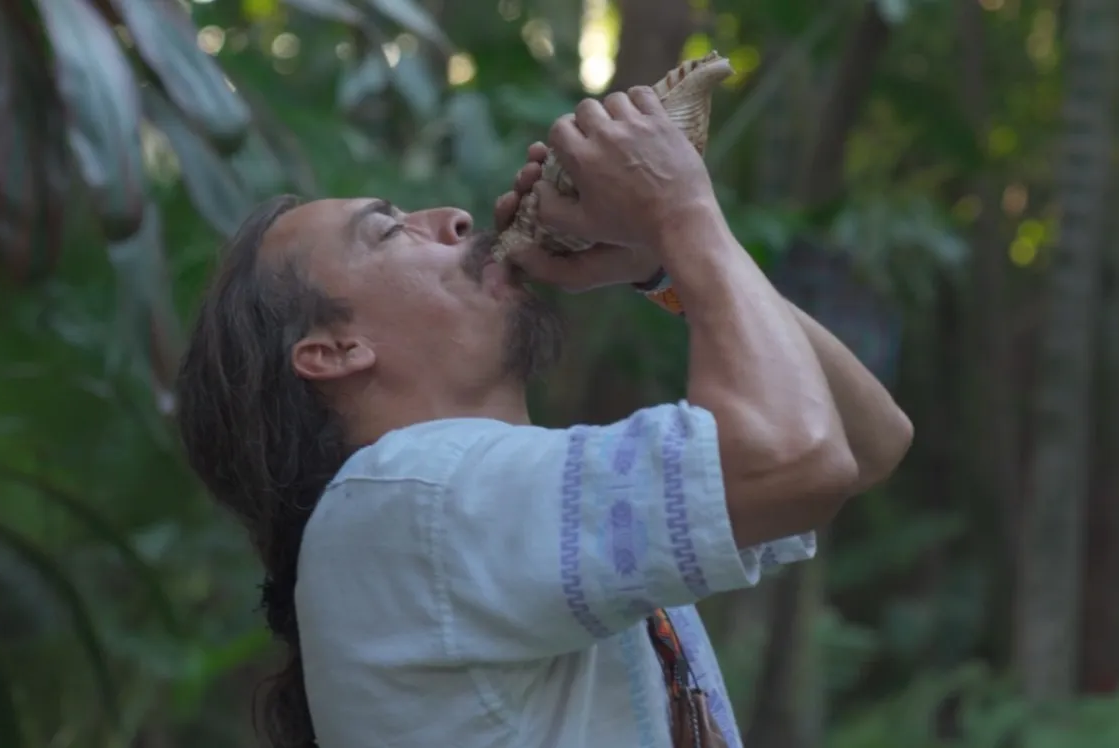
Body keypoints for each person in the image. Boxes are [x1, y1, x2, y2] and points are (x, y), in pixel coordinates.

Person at [174, 85, 914, 748]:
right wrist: (681, 213)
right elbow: (799, 460)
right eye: (391, 232)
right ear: (335, 352)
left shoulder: (463, 503)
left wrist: (658, 265)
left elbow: (869, 440)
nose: (455, 219)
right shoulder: (406, 495)